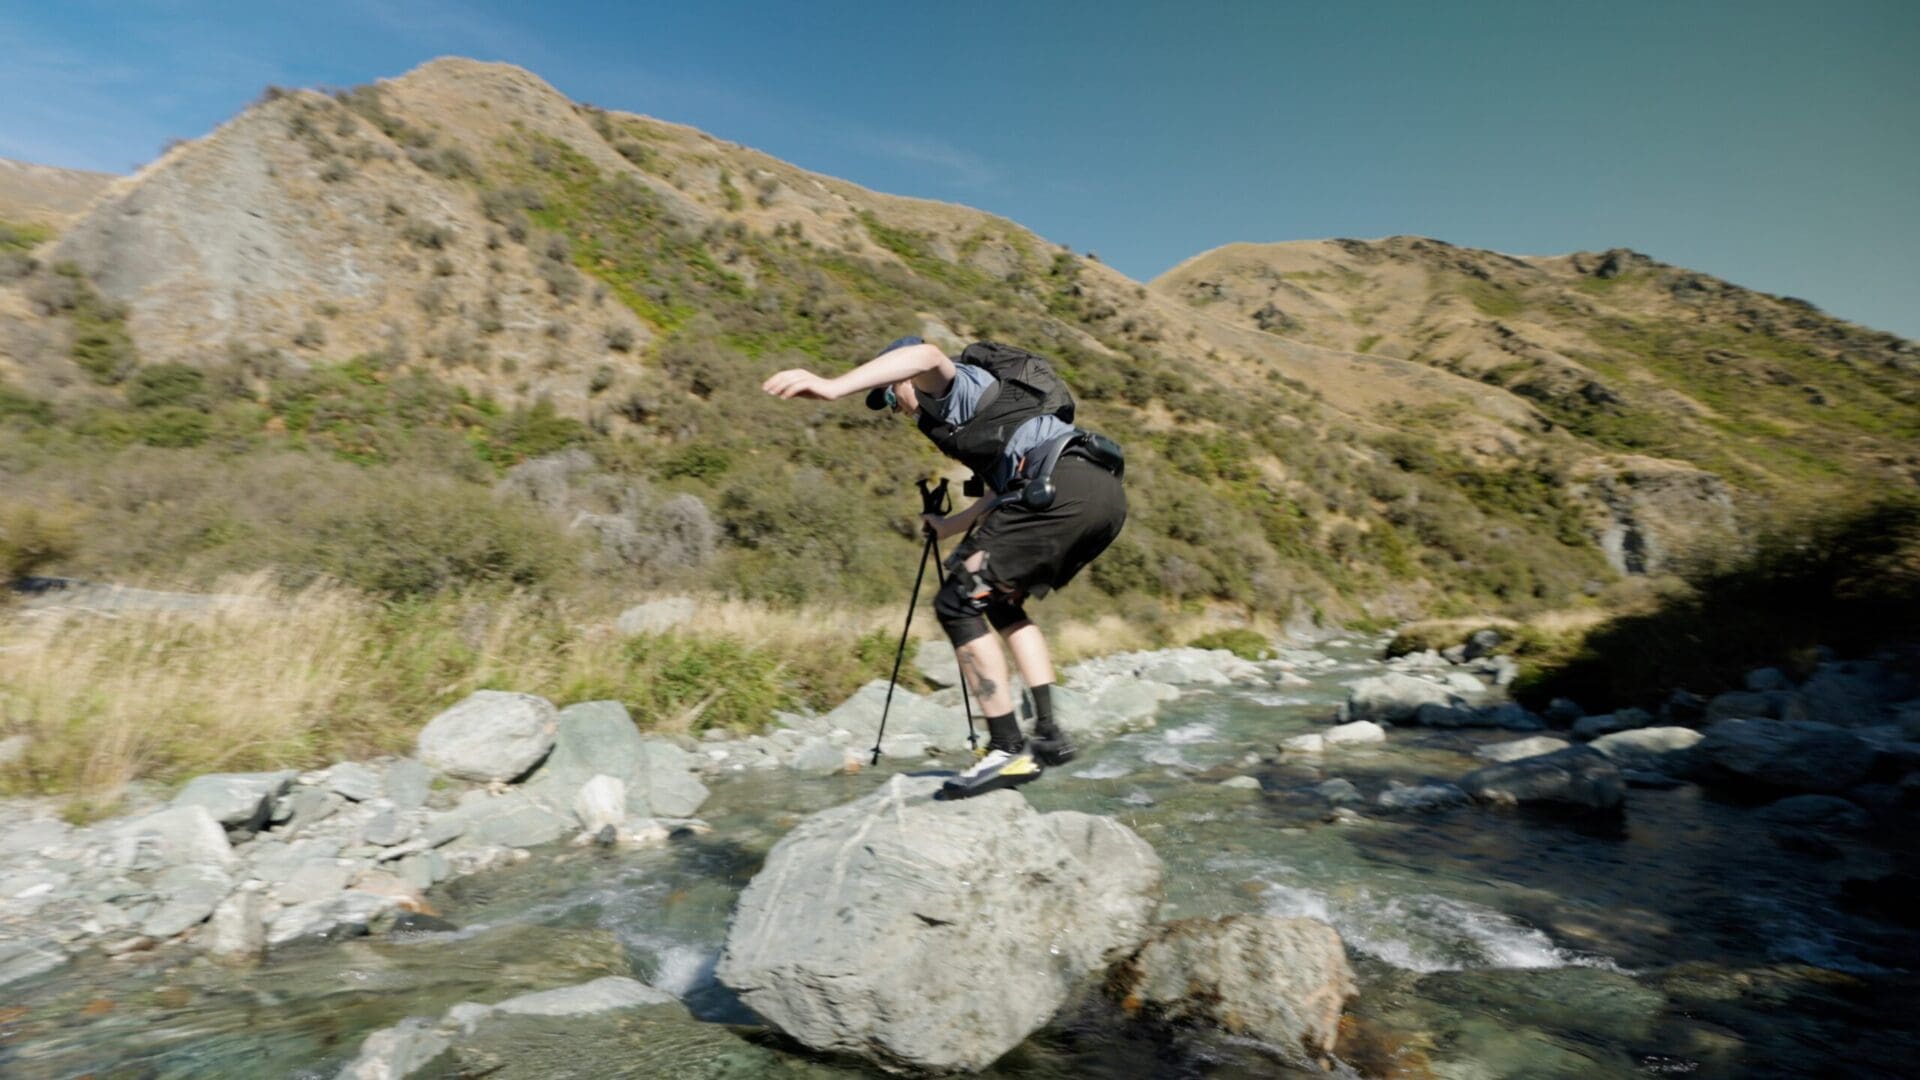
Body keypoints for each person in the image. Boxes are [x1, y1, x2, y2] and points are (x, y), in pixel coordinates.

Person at [762, 337, 1127, 798]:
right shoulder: (980, 419)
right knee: (1000, 602)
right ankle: (1049, 732)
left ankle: (1007, 748)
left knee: (957, 602)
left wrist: (834, 386)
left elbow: (928, 354)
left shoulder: (951, 388)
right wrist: (949, 526)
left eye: (892, 395)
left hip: (1063, 487)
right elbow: (997, 494)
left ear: (903, 377)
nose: (896, 409)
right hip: (1097, 494)